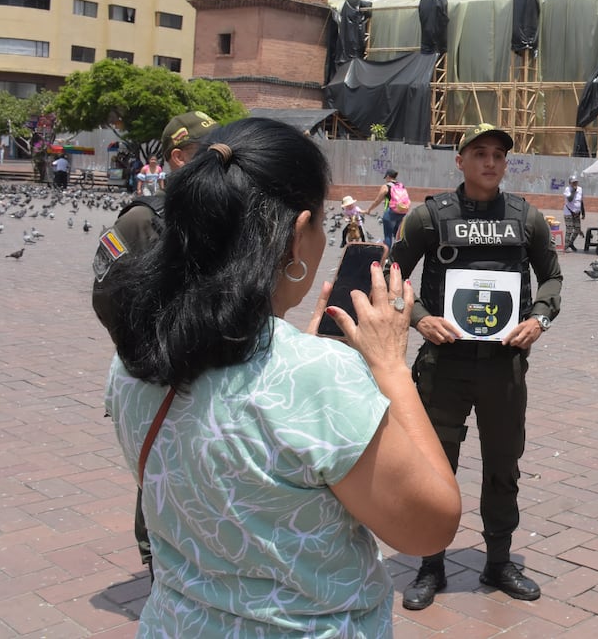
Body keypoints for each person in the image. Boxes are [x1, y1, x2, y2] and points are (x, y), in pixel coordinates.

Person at [102, 118, 461, 635]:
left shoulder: (134, 357)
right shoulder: (316, 377)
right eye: (322, 223)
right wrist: (389, 368)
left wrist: (300, 360)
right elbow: (431, 526)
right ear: (297, 235)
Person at [392, 122, 564, 611]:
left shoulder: (526, 219)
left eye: (498, 155)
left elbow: (551, 278)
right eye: (480, 153)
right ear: (460, 161)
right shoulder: (427, 218)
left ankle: (499, 561)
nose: (490, 162)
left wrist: (539, 319)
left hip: (503, 366)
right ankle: (430, 563)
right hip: (442, 365)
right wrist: (420, 319)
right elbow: (391, 272)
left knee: (503, 465)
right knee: (433, 467)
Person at [91, 110, 219, 578]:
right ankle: (157, 564)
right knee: (161, 468)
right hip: (161, 371)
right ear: (179, 158)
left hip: (216, 369)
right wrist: (150, 355)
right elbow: (106, 293)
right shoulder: (144, 220)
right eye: (208, 153)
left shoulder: (225, 215)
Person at [366, 168, 410, 250]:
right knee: (397, 235)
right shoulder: (401, 185)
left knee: (388, 235)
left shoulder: (386, 186)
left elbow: (377, 200)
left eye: (386, 177)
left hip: (390, 213)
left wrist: (369, 209)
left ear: (388, 176)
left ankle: (387, 255)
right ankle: (399, 254)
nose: (385, 179)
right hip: (401, 212)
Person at [563, 174, 584, 252]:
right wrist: (574, 191)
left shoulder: (580, 189)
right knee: (569, 229)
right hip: (568, 211)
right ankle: (566, 246)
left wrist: (583, 212)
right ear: (570, 183)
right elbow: (570, 199)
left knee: (577, 229)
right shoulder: (567, 189)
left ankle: (570, 242)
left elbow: (581, 201)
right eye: (573, 182)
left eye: (576, 182)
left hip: (577, 212)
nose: (575, 184)